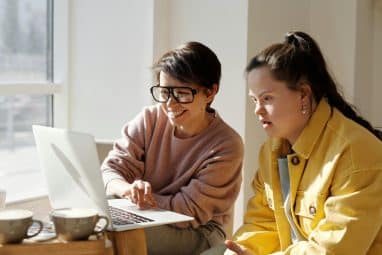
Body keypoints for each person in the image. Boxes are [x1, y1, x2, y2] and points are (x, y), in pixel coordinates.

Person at [204, 31, 382, 255]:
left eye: (267, 98)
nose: (258, 110)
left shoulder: (357, 154)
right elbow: (262, 224)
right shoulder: (271, 151)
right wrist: (241, 250)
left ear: (303, 96)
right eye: (254, 100)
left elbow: (334, 250)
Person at [101, 41, 244, 255]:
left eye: (182, 93)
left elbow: (187, 211)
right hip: (146, 214)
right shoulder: (149, 119)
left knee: (121, 233)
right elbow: (110, 170)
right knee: (94, 221)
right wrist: (126, 190)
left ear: (210, 92)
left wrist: (140, 200)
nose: (170, 104)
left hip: (200, 230)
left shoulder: (226, 145)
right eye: (165, 92)